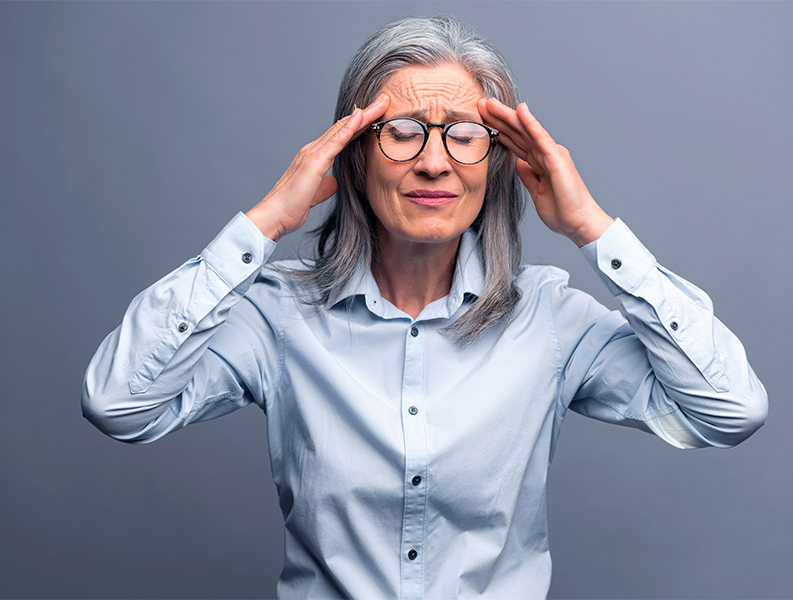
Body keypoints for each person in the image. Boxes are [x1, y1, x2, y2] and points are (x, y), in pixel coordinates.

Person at [81, 15, 767, 599]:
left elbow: (729, 411)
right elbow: (119, 404)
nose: (434, 162)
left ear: (498, 160)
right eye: (404, 130)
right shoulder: (278, 316)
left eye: (464, 133)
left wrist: (591, 226)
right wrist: (263, 224)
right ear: (352, 155)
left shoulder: (551, 320)